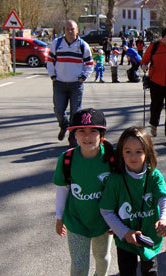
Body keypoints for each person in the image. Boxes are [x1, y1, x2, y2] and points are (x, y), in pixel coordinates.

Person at [100, 126, 166, 276]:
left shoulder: (154, 176)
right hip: (126, 240)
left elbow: (164, 198)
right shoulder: (115, 180)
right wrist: (124, 232)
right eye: (128, 152)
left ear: (147, 152)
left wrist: (164, 220)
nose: (133, 157)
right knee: (127, 272)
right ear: (121, 153)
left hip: (150, 237)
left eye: (139, 152)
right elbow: (106, 210)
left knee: (151, 273)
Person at [54, 108, 114, 276]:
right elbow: (61, 188)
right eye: (81, 131)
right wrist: (59, 217)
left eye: (93, 131)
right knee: (79, 267)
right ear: (74, 134)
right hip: (76, 221)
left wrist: (118, 219)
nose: (87, 136)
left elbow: (120, 189)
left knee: (102, 259)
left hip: (104, 221)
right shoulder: (66, 159)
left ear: (102, 134)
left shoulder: (112, 158)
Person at [46, 20, 94, 147]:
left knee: (75, 112)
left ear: (77, 30)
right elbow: (50, 61)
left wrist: (83, 77)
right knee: (58, 110)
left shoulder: (83, 45)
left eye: (72, 29)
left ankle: (72, 137)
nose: (70, 31)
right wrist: (53, 76)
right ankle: (63, 125)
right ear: (64, 30)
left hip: (75, 85)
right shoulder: (57, 44)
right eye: (67, 29)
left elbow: (89, 64)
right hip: (59, 83)